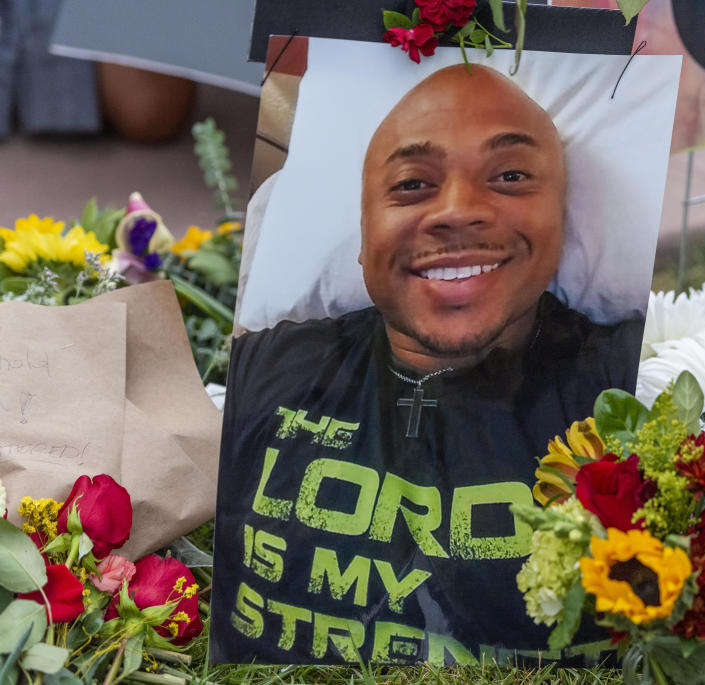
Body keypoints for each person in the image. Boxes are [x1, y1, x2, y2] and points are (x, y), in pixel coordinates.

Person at [211, 64, 644, 666]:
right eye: (413, 184)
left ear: (561, 220)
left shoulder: (635, 386)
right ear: (364, 238)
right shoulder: (265, 373)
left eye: (511, 176)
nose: (458, 210)